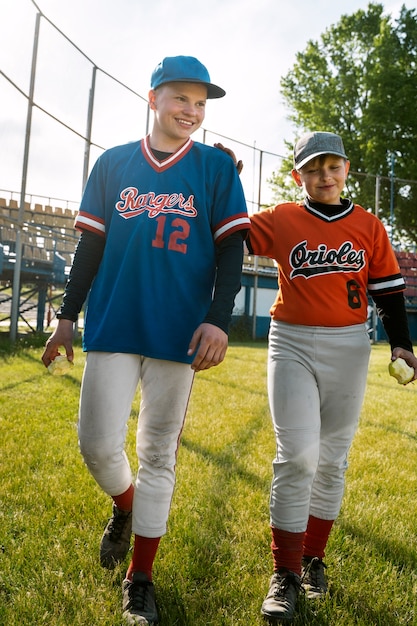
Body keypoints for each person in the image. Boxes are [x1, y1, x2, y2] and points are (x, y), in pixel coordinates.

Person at [41, 55, 250, 626]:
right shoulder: (112, 163)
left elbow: (232, 252)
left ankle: (141, 579)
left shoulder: (215, 168)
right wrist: (65, 319)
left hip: (180, 332)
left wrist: (218, 319)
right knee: (97, 445)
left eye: (201, 103)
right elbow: (89, 249)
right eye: (181, 98)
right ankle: (127, 506)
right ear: (153, 96)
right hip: (113, 321)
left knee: (158, 453)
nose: (192, 111)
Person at [246, 131, 417, 623]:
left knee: (333, 459)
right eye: (313, 168)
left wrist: (402, 343)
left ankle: (314, 559)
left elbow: (387, 289)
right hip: (292, 341)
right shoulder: (281, 218)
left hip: (349, 347)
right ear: (297, 175)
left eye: (333, 166)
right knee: (297, 455)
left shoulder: (367, 225)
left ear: (346, 170)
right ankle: (286, 572)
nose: (325, 175)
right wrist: (223, 181)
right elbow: (231, 230)